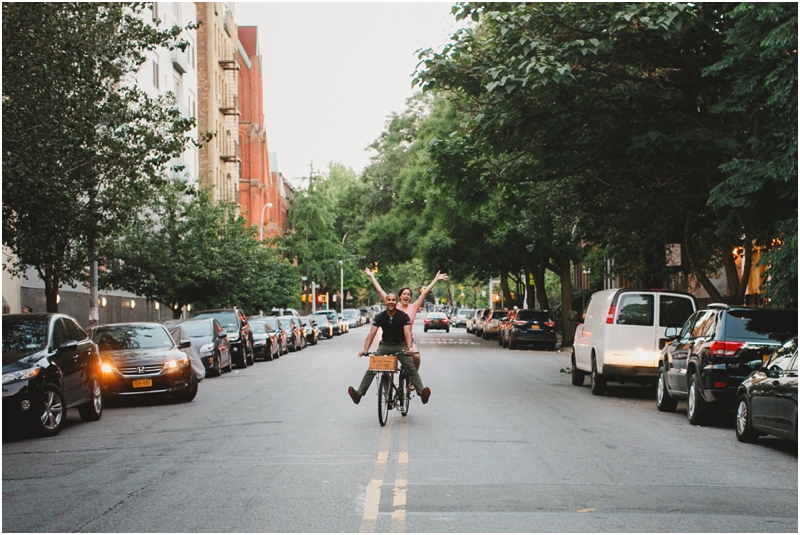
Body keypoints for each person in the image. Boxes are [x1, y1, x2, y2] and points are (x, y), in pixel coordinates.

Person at [348, 292, 430, 405]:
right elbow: (372, 333)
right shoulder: (380, 316)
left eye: (393, 300)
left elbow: (407, 333)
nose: (390, 302)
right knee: (372, 367)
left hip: (401, 345)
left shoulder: (403, 316)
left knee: (410, 367)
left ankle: (421, 393)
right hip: (385, 345)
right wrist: (365, 349)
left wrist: (409, 349)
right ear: (385, 302)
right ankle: (359, 394)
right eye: (388, 300)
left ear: (396, 302)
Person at [364, 267, 448, 373]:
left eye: (408, 295)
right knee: (384, 363)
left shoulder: (414, 307)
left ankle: (411, 378)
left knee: (416, 357)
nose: (406, 296)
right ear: (399, 296)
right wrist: (372, 276)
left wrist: (435, 279)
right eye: (404, 294)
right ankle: (386, 382)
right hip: (391, 340)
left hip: (407, 340)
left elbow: (425, 292)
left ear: (410, 298)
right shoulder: (394, 305)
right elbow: (380, 291)